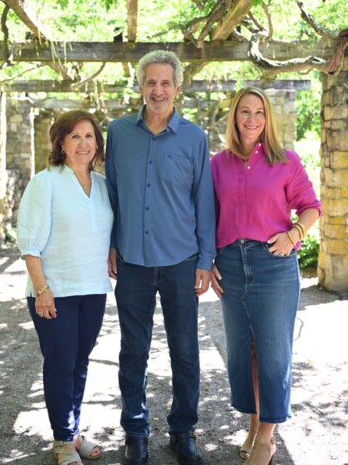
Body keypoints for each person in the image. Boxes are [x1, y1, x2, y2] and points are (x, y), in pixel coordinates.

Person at [105, 50, 216, 465]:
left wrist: (205, 259)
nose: (157, 90)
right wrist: (112, 243)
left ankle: (182, 430)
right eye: (150, 82)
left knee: (185, 351)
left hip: (181, 261)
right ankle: (135, 432)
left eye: (165, 83)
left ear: (178, 87)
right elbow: (112, 194)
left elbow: (204, 202)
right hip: (132, 260)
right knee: (133, 349)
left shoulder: (195, 138)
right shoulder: (118, 132)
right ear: (140, 86)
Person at [210, 87, 321, 465]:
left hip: (273, 265)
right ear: (234, 116)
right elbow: (208, 217)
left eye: (259, 112)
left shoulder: (285, 161)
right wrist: (208, 260)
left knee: (274, 353)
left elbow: (311, 207)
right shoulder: (217, 164)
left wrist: (294, 235)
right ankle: (254, 423)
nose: (252, 119)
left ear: (268, 118)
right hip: (229, 265)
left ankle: (268, 437)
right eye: (244, 111)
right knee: (243, 353)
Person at [17, 110, 114, 465]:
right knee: (60, 363)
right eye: (75, 136)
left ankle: (72, 433)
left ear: (97, 144)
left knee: (79, 362)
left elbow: (105, 232)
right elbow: (29, 244)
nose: (83, 144)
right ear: (61, 143)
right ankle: (62, 440)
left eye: (89, 137)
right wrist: (41, 289)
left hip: (93, 288)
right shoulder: (46, 182)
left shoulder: (103, 185)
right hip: (54, 290)